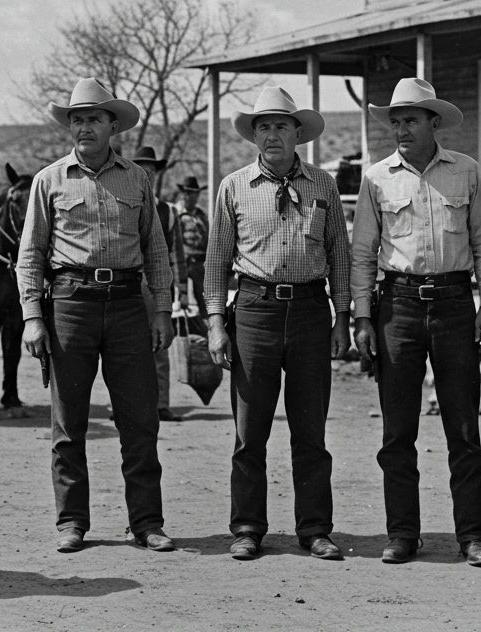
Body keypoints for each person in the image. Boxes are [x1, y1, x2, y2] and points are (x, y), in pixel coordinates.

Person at [16, 78, 175, 554]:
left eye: (93, 119)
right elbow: (31, 254)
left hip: (128, 304)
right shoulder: (49, 180)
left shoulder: (137, 178)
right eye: (77, 119)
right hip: (69, 305)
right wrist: (32, 315)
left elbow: (156, 251)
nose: (84, 127)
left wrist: (162, 310)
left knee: (140, 421)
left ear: (113, 125)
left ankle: (147, 522)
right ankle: (72, 522)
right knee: (69, 424)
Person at [349, 78, 481, 567]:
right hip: (398, 306)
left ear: (435, 122)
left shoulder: (467, 172)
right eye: (395, 121)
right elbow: (362, 253)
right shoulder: (376, 178)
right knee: (397, 431)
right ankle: (402, 534)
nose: (401, 129)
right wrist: (364, 317)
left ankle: (473, 536)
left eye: (411, 119)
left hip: (455, 303)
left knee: (464, 427)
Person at [205, 86, 352, 561]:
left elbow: (340, 257)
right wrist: (214, 323)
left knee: (311, 432)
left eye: (281, 126)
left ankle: (315, 529)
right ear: (254, 135)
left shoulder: (323, 185)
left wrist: (342, 317)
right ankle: (248, 527)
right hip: (254, 311)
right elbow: (215, 262)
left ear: (298, 133)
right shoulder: (234, 187)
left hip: (311, 311)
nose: (272, 135)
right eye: (263, 126)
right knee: (251, 431)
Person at [130, 146, 187, 422]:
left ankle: (160, 403)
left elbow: (176, 254)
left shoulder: (169, 211)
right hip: (126, 285)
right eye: (143, 170)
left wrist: (183, 292)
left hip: (157, 287)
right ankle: (129, 406)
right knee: (126, 347)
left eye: (151, 171)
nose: (147, 175)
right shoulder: (124, 203)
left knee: (159, 345)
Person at [175, 175, 209, 317]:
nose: (193, 197)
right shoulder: (177, 213)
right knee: (180, 297)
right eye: (189, 193)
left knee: (202, 294)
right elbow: (175, 241)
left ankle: (204, 325)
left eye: (195, 193)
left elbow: (206, 237)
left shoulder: (201, 215)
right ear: (184, 194)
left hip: (199, 261)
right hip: (184, 261)